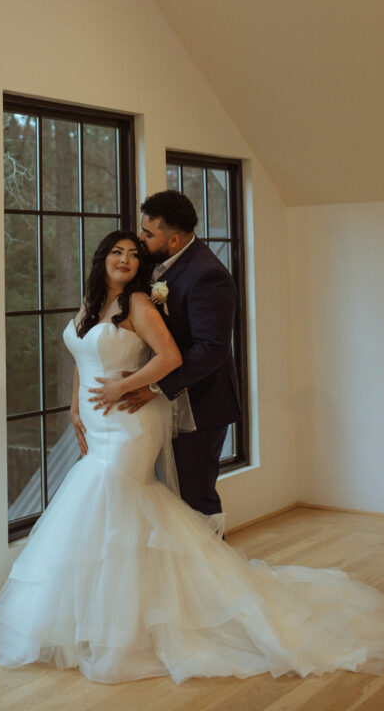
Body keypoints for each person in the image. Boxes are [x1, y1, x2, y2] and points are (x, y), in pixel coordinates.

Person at [0, 230, 384, 684]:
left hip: (130, 422)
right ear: (101, 259)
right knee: (113, 510)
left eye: (133, 253)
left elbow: (168, 357)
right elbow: (81, 356)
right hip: (95, 419)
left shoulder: (141, 306)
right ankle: (101, 623)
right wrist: (73, 406)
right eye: (116, 252)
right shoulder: (88, 305)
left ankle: (130, 631)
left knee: (110, 497)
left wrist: (125, 386)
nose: (125, 259)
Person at [126, 189, 241, 521]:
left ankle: (216, 571)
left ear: (174, 241)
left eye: (148, 234)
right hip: (161, 401)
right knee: (165, 496)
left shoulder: (209, 275)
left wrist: (155, 386)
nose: (140, 239)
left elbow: (211, 349)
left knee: (194, 495)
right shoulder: (151, 262)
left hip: (201, 403)